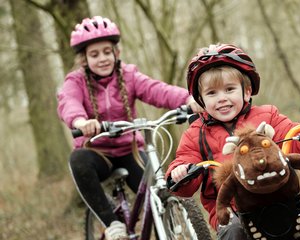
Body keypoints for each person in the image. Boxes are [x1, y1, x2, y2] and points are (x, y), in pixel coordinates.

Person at [165, 43, 300, 240]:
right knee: (234, 232)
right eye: (212, 93)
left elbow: (295, 139)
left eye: (229, 89)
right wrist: (181, 172)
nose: (221, 98)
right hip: (232, 209)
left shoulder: (268, 116)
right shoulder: (195, 134)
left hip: (279, 199)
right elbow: (185, 161)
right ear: (201, 100)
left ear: (247, 91)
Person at [57, 16, 202, 240]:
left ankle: (167, 227)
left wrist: (188, 99)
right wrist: (81, 122)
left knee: (156, 188)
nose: (102, 58)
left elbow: (158, 90)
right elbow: (69, 102)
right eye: (94, 54)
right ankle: (112, 223)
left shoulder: (129, 76)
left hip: (129, 150)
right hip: (97, 153)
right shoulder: (75, 82)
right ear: (84, 59)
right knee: (79, 160)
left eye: (107, 52)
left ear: (117, 52)